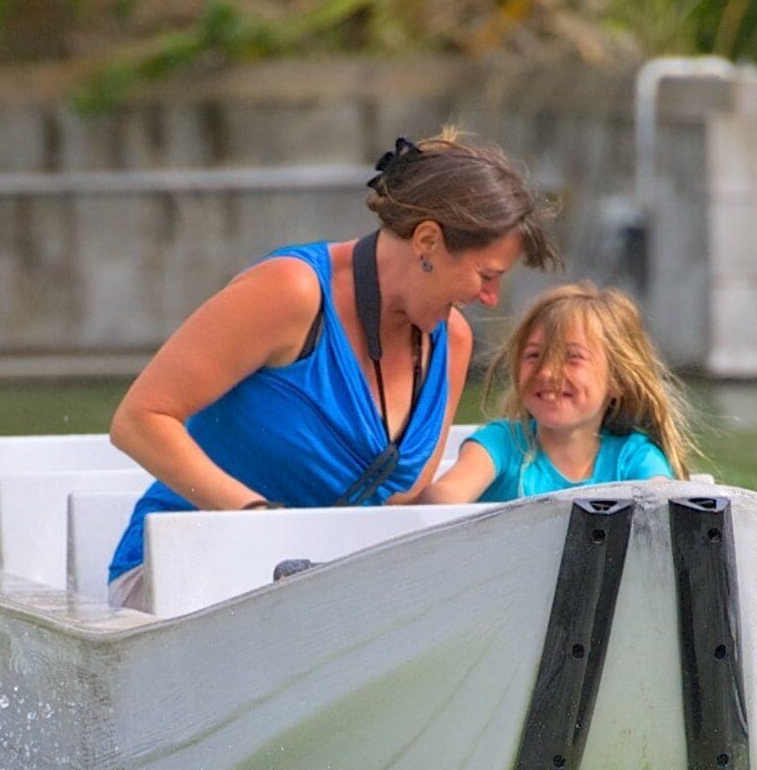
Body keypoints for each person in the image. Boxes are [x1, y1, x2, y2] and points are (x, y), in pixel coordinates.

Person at [103, 131, 556, 605]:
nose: (491, 299)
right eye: (487, 276)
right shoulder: (292, 290)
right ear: (427, 241)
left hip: (321, 601)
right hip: (178, 577)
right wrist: (260, 526)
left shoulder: (454, 341)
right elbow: (138, 421)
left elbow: (403, 509)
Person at [429, 283, 697, 502]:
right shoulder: (502, 443)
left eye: (572, 357)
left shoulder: (633, 457)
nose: (546, 372)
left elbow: (663, 508)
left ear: (617, 380)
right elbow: (445, 500)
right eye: (534, 355)